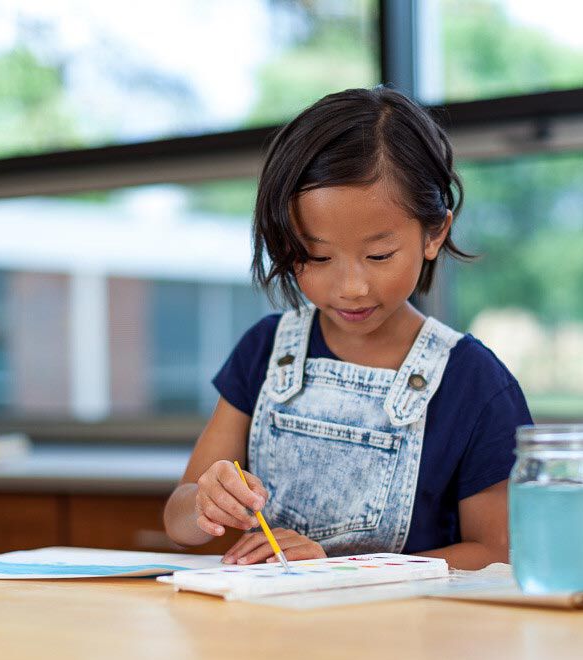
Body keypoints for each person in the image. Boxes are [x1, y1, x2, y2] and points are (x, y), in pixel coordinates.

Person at [163, 86, 532, 570]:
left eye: (379, 256)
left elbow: (495, 556)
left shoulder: (474, 382)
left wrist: (342, 565)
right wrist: (204, 503)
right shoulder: (266, 352)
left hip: (409, 641)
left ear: (434, 233)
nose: (351, 287)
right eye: (316, 257)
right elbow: (177, 523)